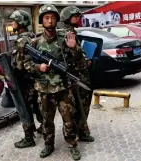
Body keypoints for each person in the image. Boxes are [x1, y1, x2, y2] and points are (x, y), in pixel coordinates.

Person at [23, 4, 84, 160]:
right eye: (46, 18)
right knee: (46, 121)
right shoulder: (35, 42)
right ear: (42, 21)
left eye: (53, 18)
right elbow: (26, 64)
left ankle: (72, 144)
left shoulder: (66, 39)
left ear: (57, 20)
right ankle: (48, 145)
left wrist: (74, 48)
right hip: (44, 89)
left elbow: (80, 63)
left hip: (63, 87)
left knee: (69, 120)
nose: (50, 21)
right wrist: (38, 67)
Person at [4, 9, 43, 149]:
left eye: (13, 21)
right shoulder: (31, 35)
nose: (11, 23)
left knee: (24, 109)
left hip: (24, 81)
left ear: (21, 22)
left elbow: (20, 65)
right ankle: (44, 127)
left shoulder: (21, 40)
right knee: (37, 107)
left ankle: (29, 138)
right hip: (33, 80)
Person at [60, 6, 94, 142]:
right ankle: (78, 133)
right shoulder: (67, 34)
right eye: (75, 16)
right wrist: (84, 60)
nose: (78, 18)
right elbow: (70, 57)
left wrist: (86, 59)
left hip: (80, 76)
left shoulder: (72, 32)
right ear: (68, 17)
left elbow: (78, 53)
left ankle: (81, 131)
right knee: (79, 107)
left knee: (82, 106)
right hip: (77, 77)